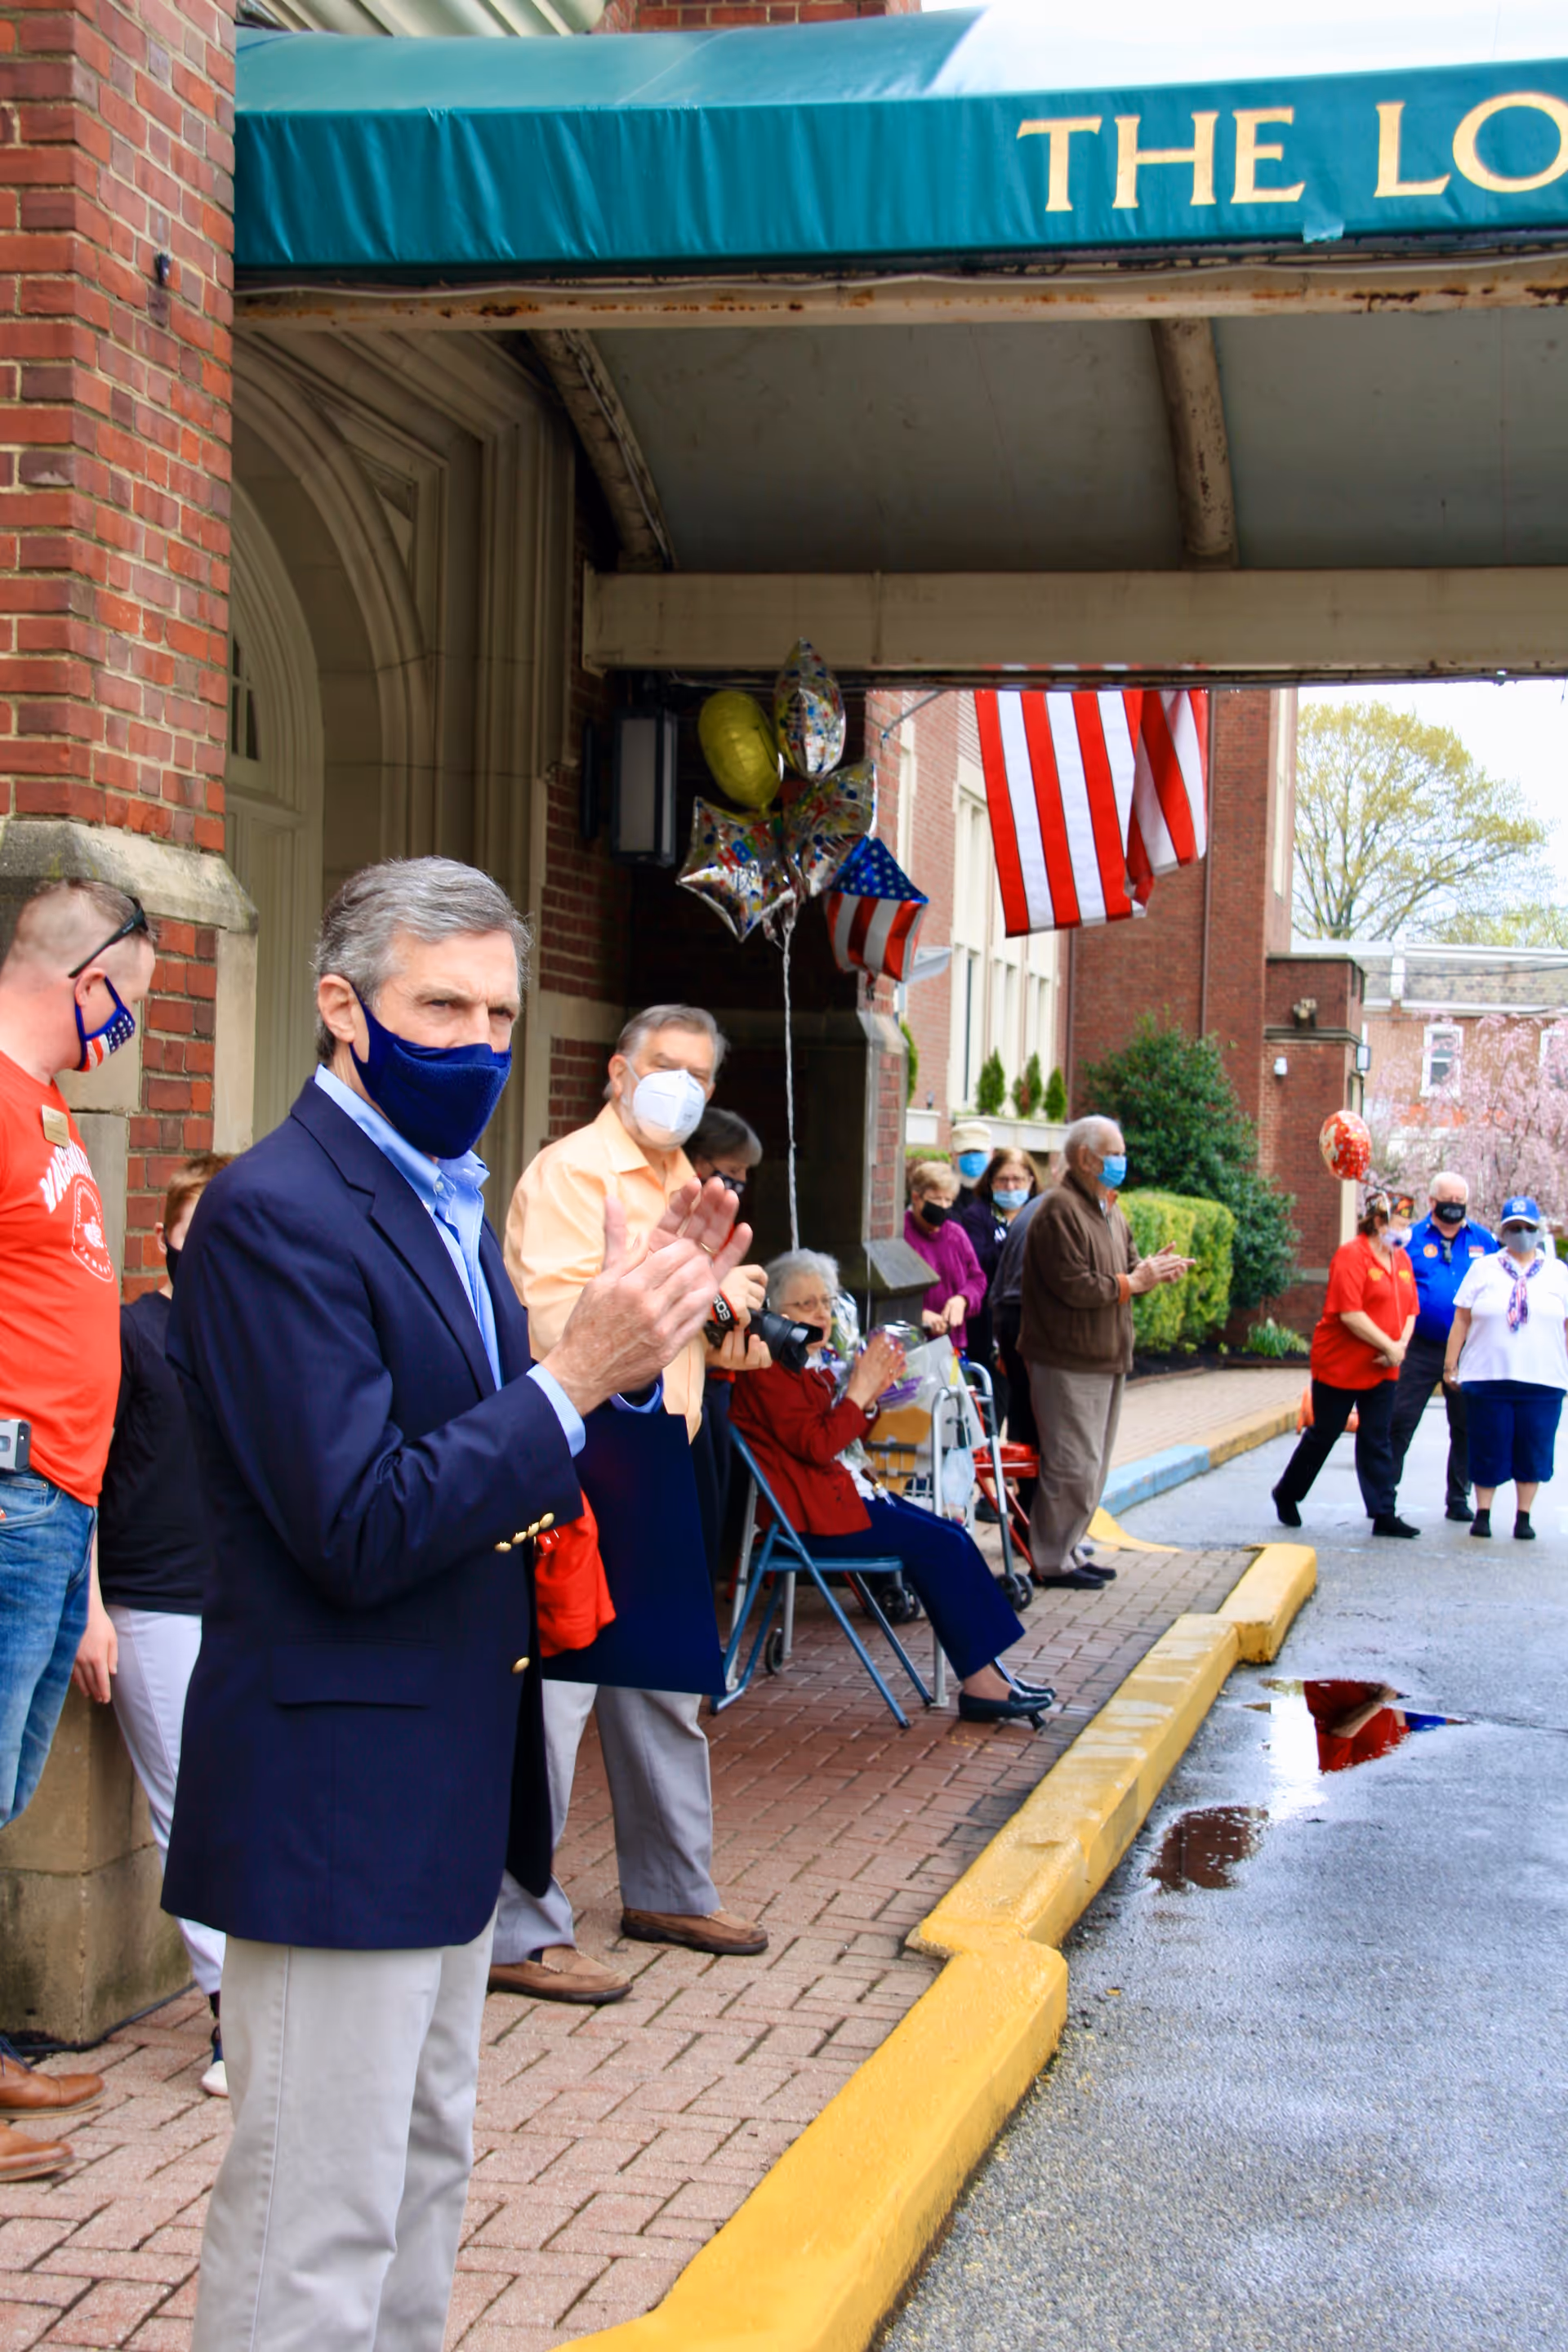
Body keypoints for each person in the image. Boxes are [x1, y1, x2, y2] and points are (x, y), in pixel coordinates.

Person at [161, 860, 753, 2350]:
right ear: (341, 1009)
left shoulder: (442, 1205)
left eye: (500, 1010)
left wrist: (614, 1344)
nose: (478, 1043)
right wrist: (575, 1375)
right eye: (441, 1005)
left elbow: (491, 1460)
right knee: (319, 2217)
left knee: (422, 2184)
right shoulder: (275, 1211)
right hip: (333, 1797)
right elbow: (359, 1522)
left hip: (441, 1791)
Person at [497, 1006, 770, 2009]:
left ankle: (670, 1889)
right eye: (664, 1067)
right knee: (557, 1695)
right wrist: (706, 1292)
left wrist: (723, 1303)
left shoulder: (685, 1182)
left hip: (666, 1453)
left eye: (699, 1074)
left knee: (661, 1688)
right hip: (582, 1460)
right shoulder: (577, 1172)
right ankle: (519, 1923)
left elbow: (707, 1320)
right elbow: (567, 1324)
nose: (680, 1089)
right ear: (618, 1072)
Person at [0, 877, 157, 2180]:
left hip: (57, 1497)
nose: (133, 1031)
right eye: (134, 1004)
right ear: (85, 974)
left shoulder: (45, 1108)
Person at [730, 1252, 1052, 1725]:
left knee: (952, 1536)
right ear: (776, 1314)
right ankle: (982, 1684)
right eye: (804, 1304)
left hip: (841, 1495)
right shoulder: (768, 1370)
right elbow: (817, 1446)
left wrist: (870, 1393)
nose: (821, 1313)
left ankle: (991, 1673)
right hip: (810, 1516)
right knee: (941, 1546)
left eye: (825, 1301)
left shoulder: (809, 1361)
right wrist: (859, 1391)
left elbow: (846, 1435)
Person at [79, 1152, 233, 2099]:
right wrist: (88, 1608)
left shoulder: (264, 1340)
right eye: (194, 1221)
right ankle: (232, 2019)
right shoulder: (131, 1333)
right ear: (167, 1236)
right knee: (192, 1812)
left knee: (252, 1809)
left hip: (248, 1606)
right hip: (151, 1605)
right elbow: (80, 1473)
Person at [1020, 1116, 1192, 1588]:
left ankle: (1070, 1548)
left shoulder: (1110, 1208)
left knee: (1092, 1466)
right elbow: (1073, 1284)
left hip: (1105, 1356)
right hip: (1066, 1358)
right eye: (1113, 1153)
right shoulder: (1059, 1209)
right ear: (1084, 1159)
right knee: (1071, 1464)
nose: (1121, 1161)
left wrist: (1152, 1271)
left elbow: (1129, 1267)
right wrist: (1131, 1282)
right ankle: (1050, 1558)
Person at [1272, 1191, 1420, 1538]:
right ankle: (1287, 1493)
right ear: (1380, 1222)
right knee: (1325, 1432)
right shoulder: (1351, 1256)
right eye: (1400, 1224)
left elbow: (1411, 1309)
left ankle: (1384, 1512)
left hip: (1384, 1364)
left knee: (1377, 1437)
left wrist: (1398, 1347)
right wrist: (1389, 1345)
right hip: (1342, 1363)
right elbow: (1351, 1314)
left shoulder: (1400, 1259)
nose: (1405, 1231)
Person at [1445, 1195, 1568, 1541]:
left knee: (1533, 1447)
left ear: (1538, 1230)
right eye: (1514, 1228)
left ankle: (1523, 1516)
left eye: (1527, 1228)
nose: (1521, 1234)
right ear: (1503, 1231)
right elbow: (1462, 1317)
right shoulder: (1484, 1268)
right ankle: (1482, 1512)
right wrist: (1450, 1364)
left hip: (1543, 1379)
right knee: (1487, 1444)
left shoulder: (1559, 1274)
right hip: (1487, 1376)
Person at [1389, 1172, 1497, 1524]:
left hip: (1469, 1350)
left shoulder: (1484, 1241)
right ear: (1433, 1202)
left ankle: (1458, 1496)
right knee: (1401, 1419)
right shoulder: (1411, 1239)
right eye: (1448, 1201)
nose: (1455, 1208)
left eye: (1460, 1201)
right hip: (1420, 1347)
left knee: (1466, 1425)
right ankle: (1384, 1495)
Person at [688, 1107, 767, 1577]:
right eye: (733, 1170)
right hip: (683, 1389)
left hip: (715, 1387)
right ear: (700, 1163)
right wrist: (727, 1307)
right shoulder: (683, 1218)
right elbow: (700, 1310)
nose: (740, 1182)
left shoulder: (718, 1220)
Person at [953, 1147, 1040, 1416]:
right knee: (994, 1405)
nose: (1011, 1186)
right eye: (1003, 1180)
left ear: (1031, 1181)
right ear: (990, 1182)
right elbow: (980, 1263)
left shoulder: (1041, 1211)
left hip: (1035, 1324)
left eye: (1018, 1180)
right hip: (991, 1325)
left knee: (1028, 1409)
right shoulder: (977, 1216)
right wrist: (1015, 1238)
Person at [905, 1160, 987, 1352]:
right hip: (911, 1344)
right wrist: (919, 1314)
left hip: (952, 1344)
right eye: (936, 1199)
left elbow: (977, 1279)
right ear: (916, 1198)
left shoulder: (956, 1235)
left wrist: (963, 1299)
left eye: (948, 1200)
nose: (943, 1206)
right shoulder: (900, 1235)